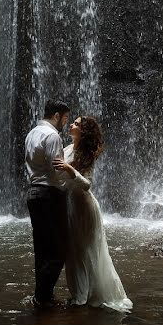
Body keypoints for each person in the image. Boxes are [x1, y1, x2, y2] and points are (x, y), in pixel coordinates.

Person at [53, 115, 132, 312]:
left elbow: (87, 184)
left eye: (77, 124)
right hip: (70, 205)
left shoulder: (86, 153)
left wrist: (71, 171)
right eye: (73, 122)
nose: (71, 124)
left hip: (84, 206)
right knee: (72, 252)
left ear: (84, 131)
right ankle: (79, 295)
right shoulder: (67, 149)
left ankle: (89, 297)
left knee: (86, 251)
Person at [24, 98, 70, 307]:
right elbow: (56, 171)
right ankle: (43, 298)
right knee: (59, 250)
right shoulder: (53, 136)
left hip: (34, 194)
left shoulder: (31, 134)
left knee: (42, 249)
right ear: (56, 116)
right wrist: (74, 179)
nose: (66, 123)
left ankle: (41, 296)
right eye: (65, 118)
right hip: (50, 195)